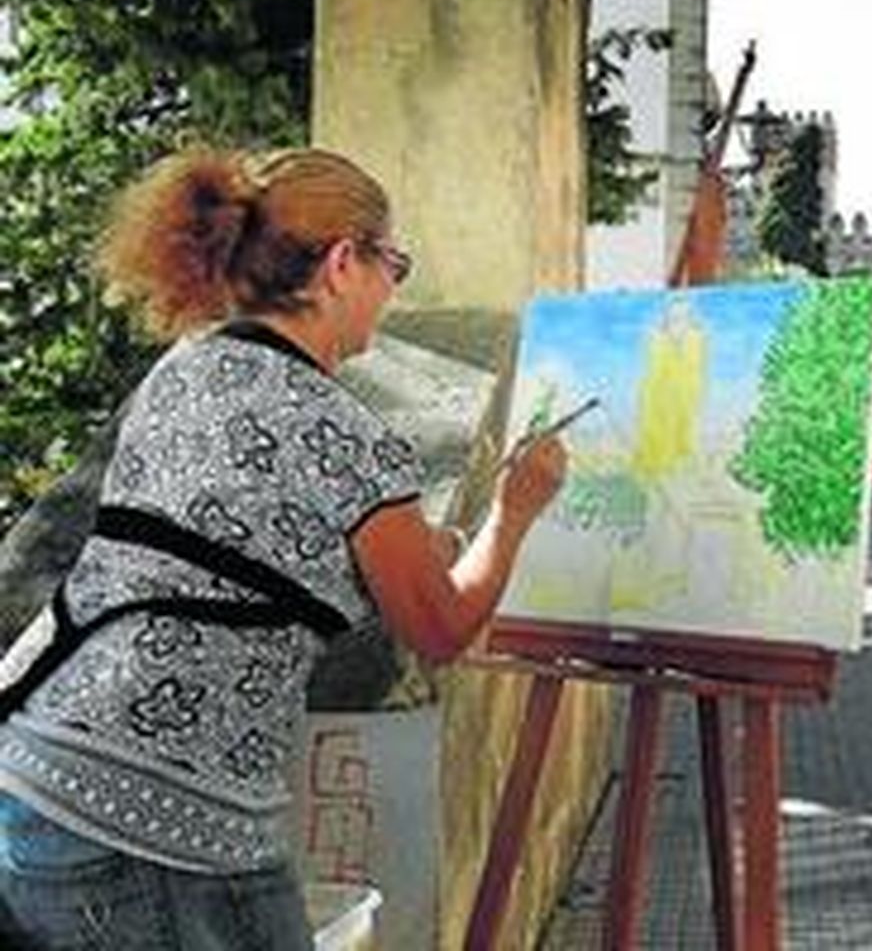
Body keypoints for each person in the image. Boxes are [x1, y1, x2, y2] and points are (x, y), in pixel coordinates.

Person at [0, 147, 567, 948]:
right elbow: (442, 630)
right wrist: (514, 512)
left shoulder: (184, 370)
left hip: (36, 761)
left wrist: (422, 545)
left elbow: (230, 549)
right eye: (393, 264)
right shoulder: (347, 436)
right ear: (341, 264)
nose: (392, 289)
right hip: (154, 820)